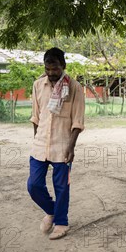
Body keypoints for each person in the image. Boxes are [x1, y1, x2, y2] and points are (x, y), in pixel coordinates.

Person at [28, 47, 85, 240]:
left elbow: (77, 121)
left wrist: (71, 147)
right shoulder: (38, 85)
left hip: (63, 145)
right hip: (40, 145)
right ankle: (52, 211)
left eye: (55, 69)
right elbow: (36, 117)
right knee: (33, 185)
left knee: (61, 187)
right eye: (48, 69)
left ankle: (61, 222)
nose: (51, 73)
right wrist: (37, 139)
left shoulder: (75, 88)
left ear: (63, 66)